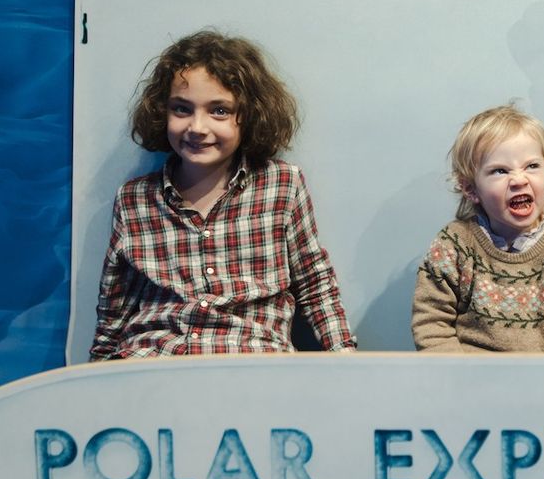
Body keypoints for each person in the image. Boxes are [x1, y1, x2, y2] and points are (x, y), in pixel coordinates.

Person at [89, 30, 356, 360]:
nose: (198, 127)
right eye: (182, 109)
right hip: (154, 366)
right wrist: (94, 379)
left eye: (219, 111)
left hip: (252, 365)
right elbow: (114, 307)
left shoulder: (282, 185)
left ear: (249, 115)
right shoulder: (134, 199)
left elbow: (316, 284)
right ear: (163, 112)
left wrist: (346, 359)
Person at [412, 104, 544, 352]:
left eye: (531, 166)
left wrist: (542, 385)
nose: (519, 180)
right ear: (470, 188)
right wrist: (461, 379)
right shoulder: (453, 245)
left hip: (543, 383)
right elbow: (431, 324)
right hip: (466, 381)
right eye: (500, 171)